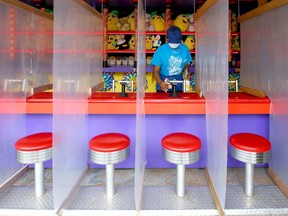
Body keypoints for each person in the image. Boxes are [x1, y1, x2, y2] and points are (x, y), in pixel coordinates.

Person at [151, 26, 192, 92]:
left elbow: (186, 66)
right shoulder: (160, 50)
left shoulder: (185, 49)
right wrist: (161, 83)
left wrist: (187, 75)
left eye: (176, 42)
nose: (174, 44)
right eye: (173, 42)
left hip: (179, 84)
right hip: (163, 84)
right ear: (167, 39)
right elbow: (155, 71)